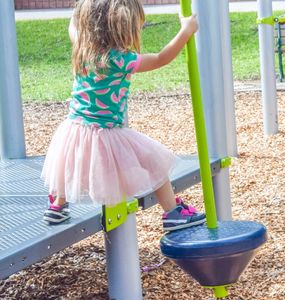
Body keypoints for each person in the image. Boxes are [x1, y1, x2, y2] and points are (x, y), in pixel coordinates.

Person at [41, 0, 205, 232]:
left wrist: (88, 9)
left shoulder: (82, 46)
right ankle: (172, 212)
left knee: (72, 164)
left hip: (74, 129)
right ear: (122, 29)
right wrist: (186, 30)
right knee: (151, 160)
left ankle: (57, 207)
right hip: (106, 132)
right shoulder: (121, 60)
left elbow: (74, 25)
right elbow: (161, 58)